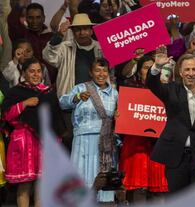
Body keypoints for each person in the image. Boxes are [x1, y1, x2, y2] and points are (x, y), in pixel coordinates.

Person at [147, 47, 195, 193]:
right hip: (176, 159)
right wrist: (157, 66)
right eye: (187, 70)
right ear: (181, 72)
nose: (191, 73)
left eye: (194, 69)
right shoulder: (171, 90)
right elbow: (152, 84)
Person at [2, 57, 65, 207]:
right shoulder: (15, 92)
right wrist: (24, 104)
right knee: (25, 185)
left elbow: (56, 121)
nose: (36, 75)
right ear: (24, 73)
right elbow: (6, 116)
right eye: (32, 71)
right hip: (24, 142)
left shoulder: (48, 93)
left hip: (44, 144)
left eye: (38, 71)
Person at [59, 58, 118, 202]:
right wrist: (77, 97)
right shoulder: (81, 88)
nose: (101, 74)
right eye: (97, 70)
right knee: (82, 175)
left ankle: (105, 202)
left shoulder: (115, 94)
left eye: (104, 70)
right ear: (91, 73)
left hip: (105, 143)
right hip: (83, 140)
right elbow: (62, 103)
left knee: (103, 177)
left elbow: (119, 117)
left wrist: (118, 115)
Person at [43, 13, 102, 151]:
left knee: (93, 144)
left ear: (91, 30)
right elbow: (48, 56)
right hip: (70, 104)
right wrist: (57, 36)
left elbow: (109, 73)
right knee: (71, 142)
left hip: (96, 104)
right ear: (73, 32)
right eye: (77, 29)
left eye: (85, 28)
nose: (82, 32)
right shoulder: (65, 47)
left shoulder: (101, 47)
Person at [119, 51, 168, 203]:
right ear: (139, 70)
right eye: (146, 67)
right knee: (137, 188)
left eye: (153, 67)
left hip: (158, 145)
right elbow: (123, 118)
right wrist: (119, 115)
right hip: (136, 145)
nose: (149, 70)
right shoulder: (130, 88)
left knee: (157, 189)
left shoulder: (166, 89)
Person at [7, 2, 56, 83]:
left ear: (43, 18)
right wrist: (20, 4)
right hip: (25, 83)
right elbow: (12, 22)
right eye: (30, 17)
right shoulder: (21, 34)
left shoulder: (51, 36)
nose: (34, 21)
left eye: (38, 17)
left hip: (49, 84)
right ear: (26, 18)